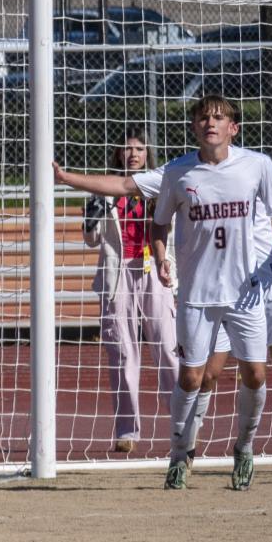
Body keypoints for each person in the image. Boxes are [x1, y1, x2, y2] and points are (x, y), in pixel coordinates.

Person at [54, 99, 272, 485]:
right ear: (194, 127)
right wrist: (68, 179)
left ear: (233, 128)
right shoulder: (178, 172)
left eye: (219, 117)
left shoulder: (256, 165)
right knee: (198, 376)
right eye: (203, 118)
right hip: (201, 289)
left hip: (262, 278)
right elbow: (131, 191)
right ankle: (180, 454)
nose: (210, 123)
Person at [77, 132, 179, 454]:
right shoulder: (106, 190)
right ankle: (127, 430)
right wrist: (91, 215)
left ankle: (183, 424)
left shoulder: (161, 186)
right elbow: (91, 240)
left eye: (139, 148)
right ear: (117, 153)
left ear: (147, 153)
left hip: (154, 271)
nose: (133, 154)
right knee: (122, 353)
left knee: (167, 348)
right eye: (127, 148)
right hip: (117, 275)